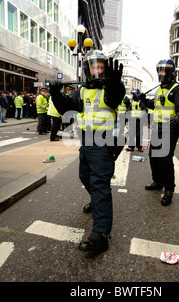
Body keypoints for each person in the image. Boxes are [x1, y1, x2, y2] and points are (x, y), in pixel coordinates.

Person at [50, 50, 125, 254]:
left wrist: (114, 82)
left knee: (100, 184)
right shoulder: (82, 91)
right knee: (85, 176)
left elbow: (116, 96)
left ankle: (101, 234)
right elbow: (67, 108)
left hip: (103, 143)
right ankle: (97, 201)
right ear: (87, 70)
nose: (98, 70)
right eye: (95, 67)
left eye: (101, 67)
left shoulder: (109, 89)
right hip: (86, 143)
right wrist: (56, 95)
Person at [139, 59, 179, 205]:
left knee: (165, 158)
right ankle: (157, 182)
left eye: (164, 70)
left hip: (170, 128)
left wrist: (178, 119)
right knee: (154, 155)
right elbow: (156, 106)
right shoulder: (160, 89)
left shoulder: (177, 89)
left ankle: (169, 189)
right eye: (159, 70)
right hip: (157, 127)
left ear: (171, 72)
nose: (161, 73)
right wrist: (144, 100)